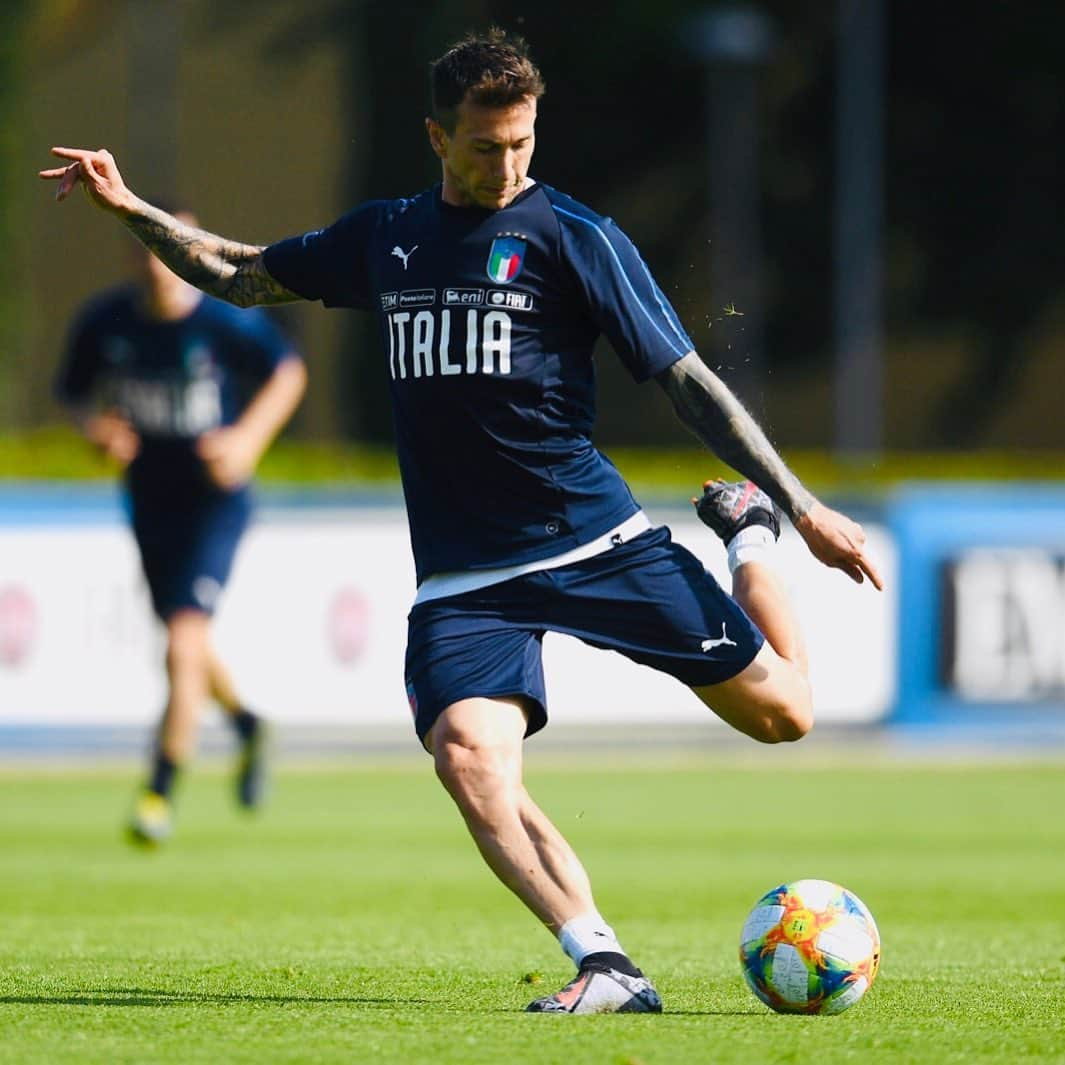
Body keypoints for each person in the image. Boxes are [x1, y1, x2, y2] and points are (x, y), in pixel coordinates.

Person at [41, 28, 880, 1009]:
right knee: (471, 758)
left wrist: (798, 504)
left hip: (594, 539)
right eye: (487, 145)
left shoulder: (576, 237)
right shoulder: (388, 237)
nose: (509, 164)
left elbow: (691, 383)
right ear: (437, 137)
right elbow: (240, 272)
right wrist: (130, 206)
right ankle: (604, 961)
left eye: (523, 142)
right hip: (467, 577)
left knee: (787, 716)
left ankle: (747, 541)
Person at [53, 208, 307, 846]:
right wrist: (97, 430)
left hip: (214, 500)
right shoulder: (107, 321)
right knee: (185, 641)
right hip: (150, 498)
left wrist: (248, 439)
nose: (162, 263)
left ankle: (159, 790)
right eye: (151, 248)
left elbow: (288, 371)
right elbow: (73, 394)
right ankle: (248, 727)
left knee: (181, 641)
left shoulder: (221, 321)